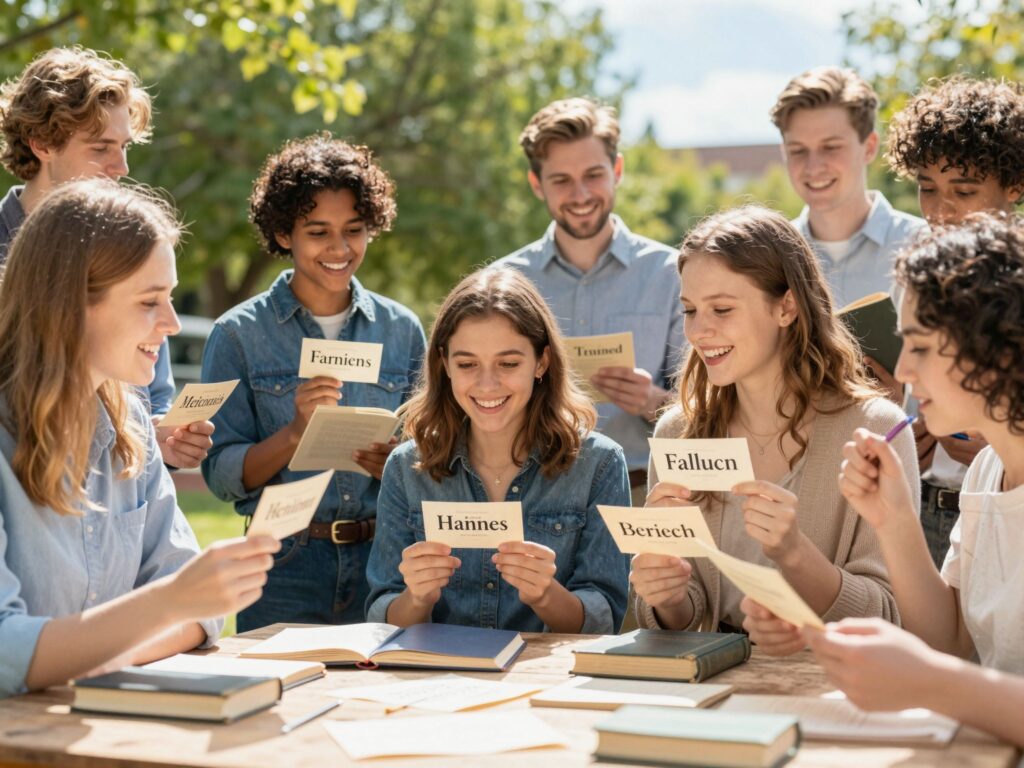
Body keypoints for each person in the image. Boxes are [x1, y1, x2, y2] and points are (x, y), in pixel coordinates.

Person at [0, 179, 277, 698]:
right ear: (67, 304)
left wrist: (87, 654)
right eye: (150, 301)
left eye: (169, 298)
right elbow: (4, 653)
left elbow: (203, 617)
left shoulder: (130, 423)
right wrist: (166, 605)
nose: (171, 324)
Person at [629, 206, 918, 654]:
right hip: (710, 681)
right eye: (689, 310)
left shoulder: (876, 429)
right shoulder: (677, 433)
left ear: (786, 307)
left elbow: (891, 614)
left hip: (833, 681)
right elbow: (686, 615)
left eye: (722, 309)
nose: (699, 331)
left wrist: (795, 554)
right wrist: (666, 597)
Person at [806, 212, 1024, 749]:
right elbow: (950, 640)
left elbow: (942, 668)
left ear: (996, 348)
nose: (902, 371)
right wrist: (894, 519)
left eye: (920, 347)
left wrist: (929, 682)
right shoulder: (988, 469)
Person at [201, 134, 426, 632]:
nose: (340, 249)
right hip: (282, 562)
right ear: (284, 234)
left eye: (354, 230)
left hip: (384, 560)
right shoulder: (237, 334)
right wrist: (294, 435)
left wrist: (398, 464)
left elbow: (433, 455)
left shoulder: (403, 330)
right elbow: (220, 474)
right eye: (318, 232)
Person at [365, 268, 630, 633]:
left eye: (508, 364)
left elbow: (605, 620)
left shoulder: (600, 463)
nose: (487, 384)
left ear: (541, 362)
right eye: (467, 364)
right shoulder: (405, 466)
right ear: (444, 364)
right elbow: (382, 615)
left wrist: (545, 595)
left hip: (547, 669)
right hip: (439, 668)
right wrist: (417, 598)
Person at [0, 46, 211, 470]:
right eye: (101, 148)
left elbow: (153, 398)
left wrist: (160, 439)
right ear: (41, 144)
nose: (122, 167)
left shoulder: (134, 248)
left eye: (125, 146)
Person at [494, 97, 683, 507]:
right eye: (561, 180)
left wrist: (652, 402)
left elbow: (712, 411)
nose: (580, 194)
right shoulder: (503, 284)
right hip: (530, 496)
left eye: (593, 175)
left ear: (617, 171)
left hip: (643, 495)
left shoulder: (673, 274)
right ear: (536, 184)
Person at [884, 76, 1024, 567]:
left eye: (964, 190)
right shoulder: (914, 276)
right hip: (928, 504)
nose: (941, 211)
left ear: (1014, 185)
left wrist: (999, 437)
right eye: (927, 188)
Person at [770, 66, 925, 308]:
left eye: (831, 147)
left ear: (870, 147)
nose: (813, 167)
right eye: (798, 150)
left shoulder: (925, 247)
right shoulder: (768, 259)